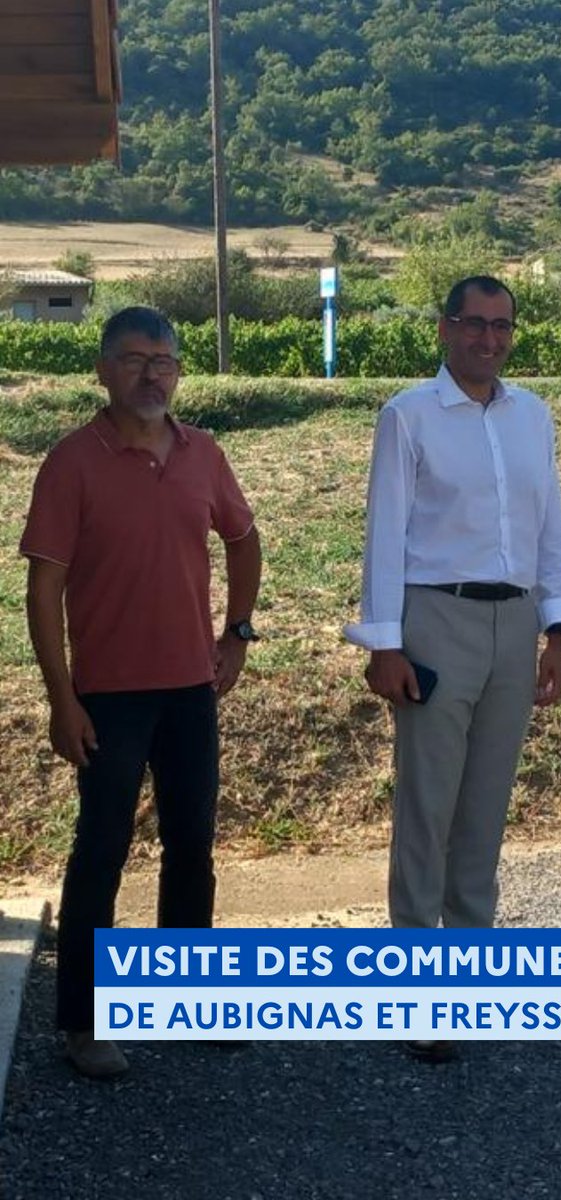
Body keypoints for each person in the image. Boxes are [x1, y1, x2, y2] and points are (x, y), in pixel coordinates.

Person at [21, 306, 262, 1077]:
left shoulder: (203, 453)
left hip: (192, 688)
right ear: (101, 370)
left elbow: (245, 539)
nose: (152, 373)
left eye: (164, 360)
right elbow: (44, 588)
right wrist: (63, 699)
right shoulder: (71, 462)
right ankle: (85, 1023)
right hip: (108, 697)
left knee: (192, 849)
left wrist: (238, 633)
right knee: (102, 850)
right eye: (133, 359)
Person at [345, 275, 561, 1060]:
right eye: (473, 324)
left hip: (514, 622)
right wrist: (384, 643)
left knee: (484, 811)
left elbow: (551, 526)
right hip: (435, 618)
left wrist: (558, 627)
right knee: (428, 810)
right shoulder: (408, 416)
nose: (488, 338)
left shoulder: (533, 415)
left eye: (501, 325)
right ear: (445, 329)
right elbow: (386, 531)